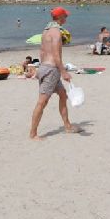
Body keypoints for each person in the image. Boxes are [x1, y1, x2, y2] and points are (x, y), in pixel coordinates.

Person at [30, 7, 79, 140]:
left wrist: (41, 69)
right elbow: (56, 55)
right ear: (60, 17)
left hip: (46, 68)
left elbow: (41, 52)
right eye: (65, 16)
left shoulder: (45, 31)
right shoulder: (56, 32)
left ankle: (67, 126)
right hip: (51, 70)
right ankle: (33, 134)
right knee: (42, 102)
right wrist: (64, 72)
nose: (66, 18)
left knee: (63, 95)